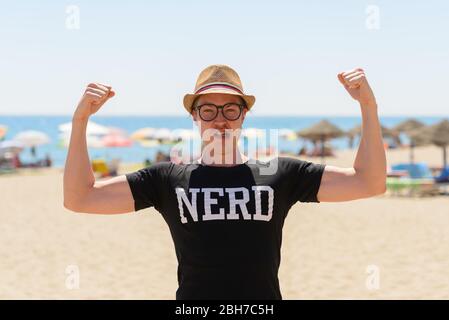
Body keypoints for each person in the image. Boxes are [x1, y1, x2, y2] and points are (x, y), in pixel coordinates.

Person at [63, 64, 386, 300]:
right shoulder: (166, 179)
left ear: (244, 116)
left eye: (230, 109)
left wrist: (368, 106)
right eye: (208, 110)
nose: (220, 118)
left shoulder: (281, 174)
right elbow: (80, 199)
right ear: (194, 116)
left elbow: (368, 182)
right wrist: (80, 121)